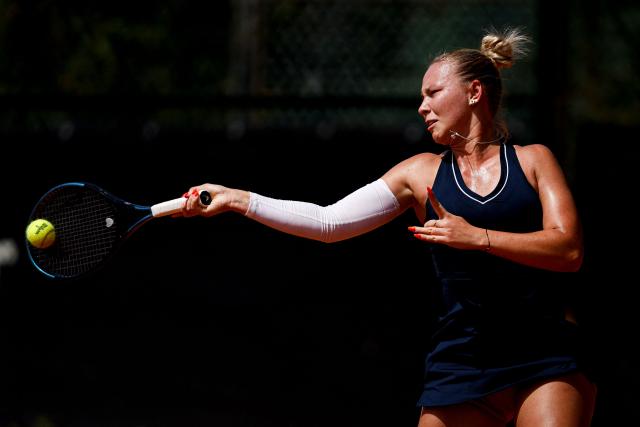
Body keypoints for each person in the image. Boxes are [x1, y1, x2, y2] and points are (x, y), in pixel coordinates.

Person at [179, 28, 596, 427]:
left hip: (545, 351)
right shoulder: (419, 173)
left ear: (474, 92)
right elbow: (329, 222)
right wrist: (238, 199)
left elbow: (568, 251)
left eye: (433, 93)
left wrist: (478, 238)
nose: (422, 106)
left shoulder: (533, 160)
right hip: (464, 358)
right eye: (421, 97)